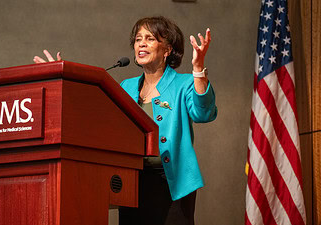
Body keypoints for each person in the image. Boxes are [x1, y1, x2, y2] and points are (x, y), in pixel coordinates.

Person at [34, 16, 217, 225]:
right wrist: (60, 78)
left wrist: (198, 70)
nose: (141, 43)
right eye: (138, 39)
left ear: (167, 50)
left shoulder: (184, 84)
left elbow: (204, 113)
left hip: (173, 183)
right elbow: (95, 117)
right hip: (132, 182)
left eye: (150, 38)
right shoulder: (126, 87)